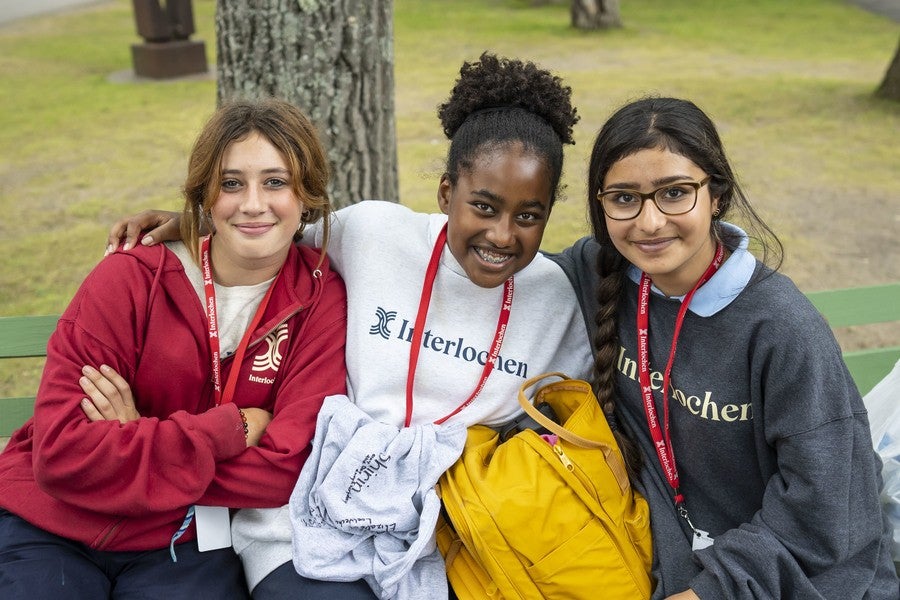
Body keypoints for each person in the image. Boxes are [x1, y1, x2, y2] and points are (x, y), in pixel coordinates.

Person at [103, 54, 648, 599]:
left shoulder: (553, 298)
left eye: (528, 216)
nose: (502, 235)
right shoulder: (371, 233)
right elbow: (269, 227)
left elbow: (559, 431)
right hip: (304, 521)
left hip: (449, 542)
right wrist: (190, 223)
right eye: (482, 206)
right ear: (445, 194)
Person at [549, 96, 900, 598]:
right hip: (662, 568)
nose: (649, 222)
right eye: (624, 198)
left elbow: (826, 509)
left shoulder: (783, 329)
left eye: (674, 193)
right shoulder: (599, 273)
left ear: (717, 195)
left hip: (793, 581)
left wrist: (711, 591)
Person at [0, 99, 348, 599]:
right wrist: (234, 428)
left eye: (276, 182)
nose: (252, 203)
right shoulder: (129, 277)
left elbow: (283, 470)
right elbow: (59, 455)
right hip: (50, 523)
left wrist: (132, 440)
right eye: (231, 183)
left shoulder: (318, 298)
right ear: (205, 195)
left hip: (185, 538)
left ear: (306, 194)